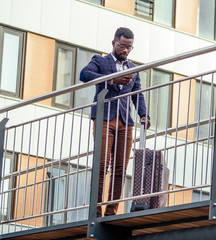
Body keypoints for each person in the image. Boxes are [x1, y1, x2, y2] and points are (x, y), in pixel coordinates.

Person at [80, 27, 150, 217]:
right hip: (104, 118)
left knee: (120, 169)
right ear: (114, 43)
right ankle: (95, 212)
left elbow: (138, 95)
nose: (125, 50)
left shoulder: (133, 69)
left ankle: (111, 212)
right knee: (101, 166)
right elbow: (84, 75)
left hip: (125, 122)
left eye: (129, 47)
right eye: (122, 46)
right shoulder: (100, 61)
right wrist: (112, 80)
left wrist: (144, 115)